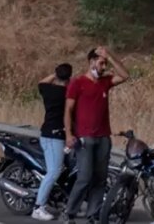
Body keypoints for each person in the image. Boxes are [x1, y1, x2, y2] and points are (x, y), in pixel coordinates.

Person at [63, 47, 130, 223]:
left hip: (103, 137)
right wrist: (69, 134)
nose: (103, 67)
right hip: (85, 137)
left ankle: (93, 213)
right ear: (91, 62)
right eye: (101, 63)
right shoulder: (77, 83)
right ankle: (69, 212)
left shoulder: (105, 81)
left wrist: (110, 56)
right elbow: (68, 110)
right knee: (84, 177)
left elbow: (124, 75)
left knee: (100, 179)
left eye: (105, 64)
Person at [33, 63, 73, 221]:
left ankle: (61, 201)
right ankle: (38, 207)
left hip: (49, 133)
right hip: (54, 137)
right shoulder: (67, 93)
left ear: (56, 75)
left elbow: (41, 82)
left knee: (62, 169)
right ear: (69, 78)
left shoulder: (48, 89)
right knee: (54, 171)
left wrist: (54, 75)